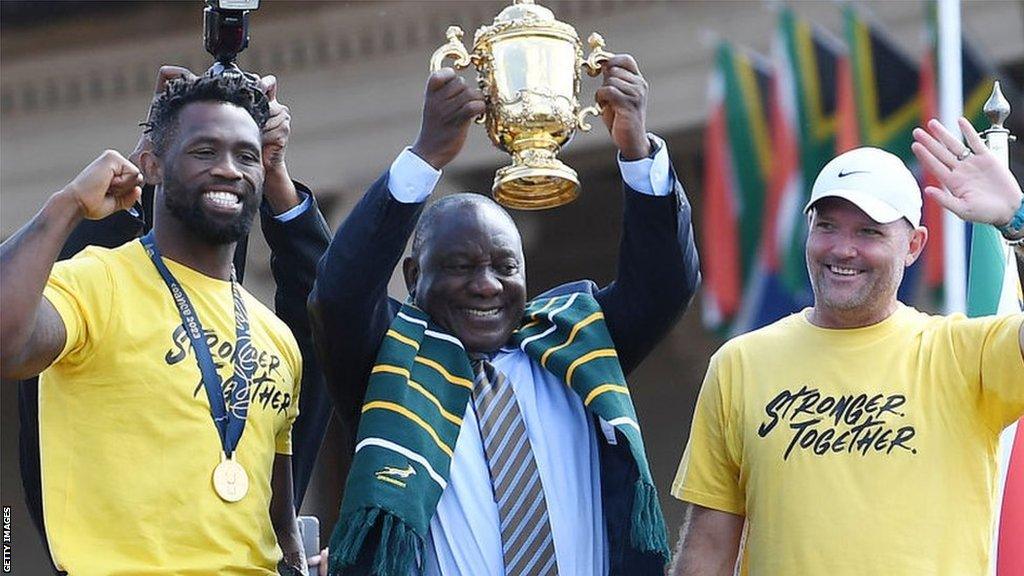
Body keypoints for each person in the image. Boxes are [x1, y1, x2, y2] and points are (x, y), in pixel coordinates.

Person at [309, 55, 700, 575]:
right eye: (460, 265)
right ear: (412, 274)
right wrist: (425, 156)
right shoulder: (389, 359)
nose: (486, 284)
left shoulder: (572, 345)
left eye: (504, 266)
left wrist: (636, 149)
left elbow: (665, 283)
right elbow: (338, 295)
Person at [669, 117, 1024, 576]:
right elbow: (710, 547)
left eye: (869, 232)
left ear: (914, 245)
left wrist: (1017, 217)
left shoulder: (960, 353)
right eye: (828, 225)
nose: (842, 249)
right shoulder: (740, 363)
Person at [15, 68, 333, 572]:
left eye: (246, 155)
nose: (229, 169)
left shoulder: (276, 337)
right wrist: (69, 205)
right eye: (205, 152)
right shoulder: (96, 282)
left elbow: (280, 524)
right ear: (152, 165)